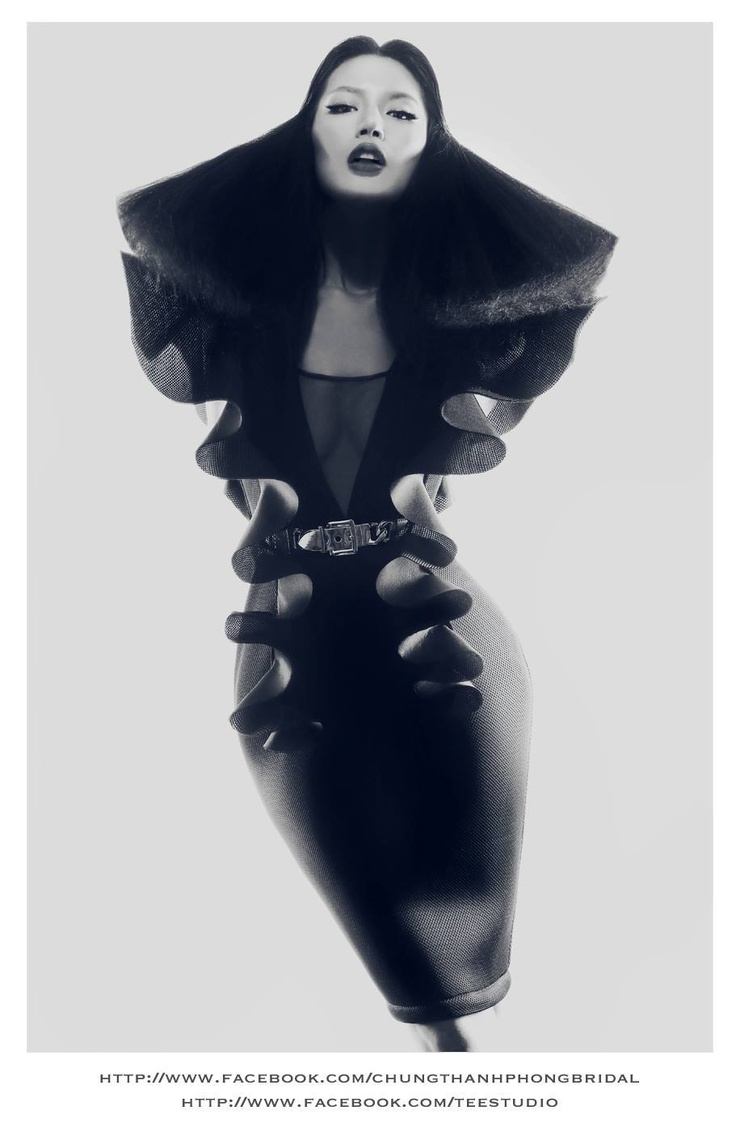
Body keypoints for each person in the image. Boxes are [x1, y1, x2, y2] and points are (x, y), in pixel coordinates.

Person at [118, 35, 616, 1052]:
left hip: (446, 635)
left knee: (467, 939)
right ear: (305, 130)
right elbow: (234, 467)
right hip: (293, 637)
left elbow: (487, 421)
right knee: (397, 943)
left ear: (431, 141)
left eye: (399, 110)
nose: (370, 125)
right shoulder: (235, 310)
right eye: (343, 105)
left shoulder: (451, 313)